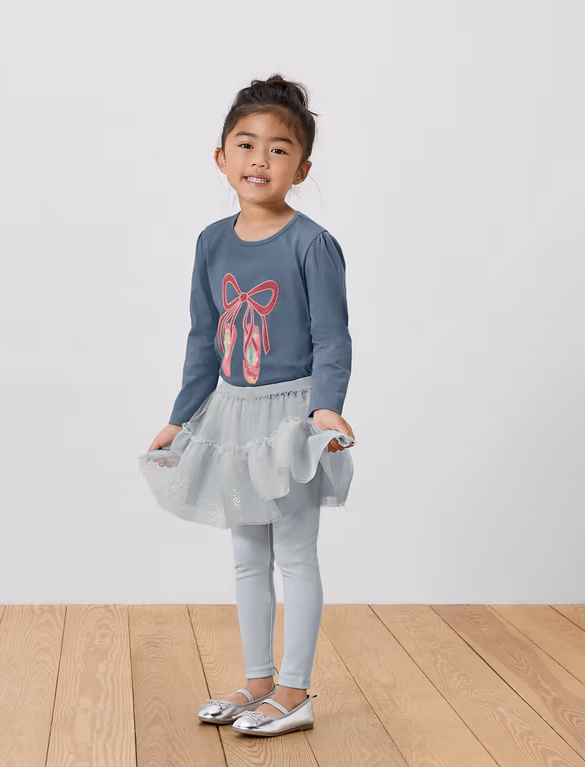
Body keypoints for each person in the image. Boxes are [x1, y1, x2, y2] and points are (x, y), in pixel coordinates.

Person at [138, 73, 355, 737]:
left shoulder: (311, 244)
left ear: (302, 168)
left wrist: (326, 408)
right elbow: (203, 337)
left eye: (279, 149)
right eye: (246, 144)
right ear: (221, 157)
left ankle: (295, 690)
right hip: (233, 415)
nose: (260, 159)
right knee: (246, 556)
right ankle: (258, 681)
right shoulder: (212, 242)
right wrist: (180, 416)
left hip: (289, 418)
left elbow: (332, 337)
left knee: (295, 554)